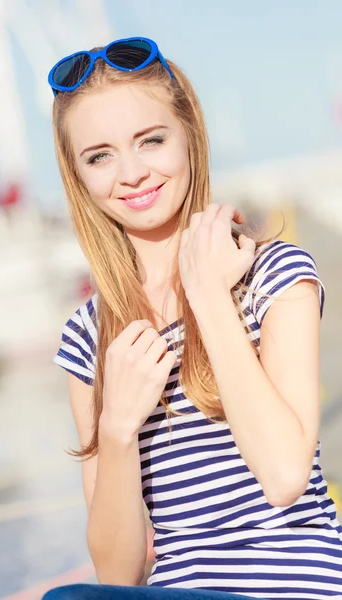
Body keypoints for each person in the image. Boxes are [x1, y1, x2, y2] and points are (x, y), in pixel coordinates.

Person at [43, 37, 342, 599]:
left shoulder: (273, 275)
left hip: (295, 581)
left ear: (189, 137)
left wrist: (206, 297)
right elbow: (118, 574)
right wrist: (116, 427)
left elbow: (283, 478)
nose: (131, 173)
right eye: (100, 155)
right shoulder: (87, 337)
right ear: (77, 175)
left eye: (151, 141)